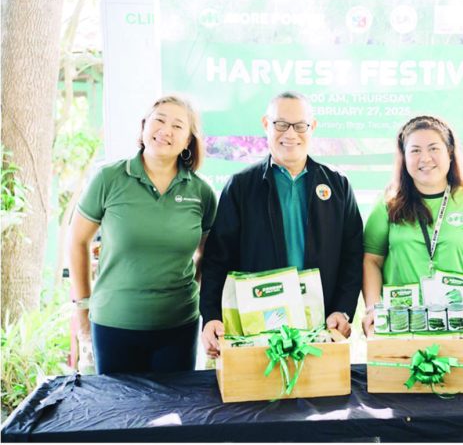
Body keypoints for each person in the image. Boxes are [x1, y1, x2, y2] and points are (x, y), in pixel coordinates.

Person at [199, 91, 363, 357]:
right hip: (257, 327)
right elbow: (218, 258)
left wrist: (343, 309)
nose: (291, 134)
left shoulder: (338, 184)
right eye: (281, 124)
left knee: (322, 397)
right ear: (266, 124)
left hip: (321, 328)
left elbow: (352, 255)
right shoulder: (241, 186)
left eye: (300, 126)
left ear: (313, 127)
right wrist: (211, 315)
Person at [68, 94, 217, 374]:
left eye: (177, 126)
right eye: (159, 120)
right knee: (120, 416)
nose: (166, 130)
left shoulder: (201, 192)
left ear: (188, 141)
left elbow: (207, 254)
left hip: (178, 326)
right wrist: (83, 309)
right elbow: (77, 241)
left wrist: (189, 288)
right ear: (143, 127)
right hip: (114, 324)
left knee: (172, 413)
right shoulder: (108, 179)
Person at [362, 115, 463, 336]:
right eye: (415, 150)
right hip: (400, 331)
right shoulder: (387, 203)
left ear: (450, 152)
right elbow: (371, 261)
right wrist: (372, 308)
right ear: (404, 157)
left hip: (459, 330)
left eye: (434, 148)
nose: (424, 158)